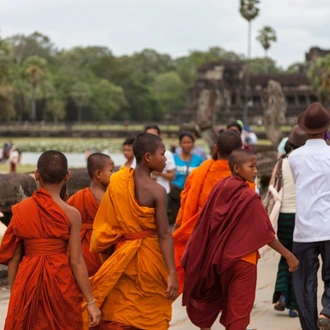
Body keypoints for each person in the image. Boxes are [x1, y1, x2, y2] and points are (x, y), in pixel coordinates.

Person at [181, 148, 299, 330]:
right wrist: (288, 255)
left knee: (219, 300)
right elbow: (265, 233)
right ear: (237, 168)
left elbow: (204, 224)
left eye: (256, 166)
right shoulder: (249, 196)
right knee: (238, 313)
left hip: (218, 259)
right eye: (251, 166)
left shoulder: (219, 188)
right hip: (243, 261)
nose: (256, 171)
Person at [0, 150, 101, 329]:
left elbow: (14, 259)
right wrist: (90, 301)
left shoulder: (21, 209)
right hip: (60, 282)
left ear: (36, 174)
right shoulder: (72, 214)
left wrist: (17, 294)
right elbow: (77, 261)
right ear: (67, 176)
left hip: (27, 281)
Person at [88, 133, 178, 329]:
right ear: (147, 157)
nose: (165, 159)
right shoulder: (157, 191)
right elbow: (164, 233)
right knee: (150, 314)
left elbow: (107, 226)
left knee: (121, 312)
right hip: (151, 259)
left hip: (123, 257)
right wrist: (172, 272)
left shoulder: (117, 181)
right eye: (162, 154)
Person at [173, 130, 254, 294]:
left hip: (202, 240)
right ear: (240, 150)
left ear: (216, 148)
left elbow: (186, 205)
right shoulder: (245, 178)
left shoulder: (198, 173)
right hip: (234, 243)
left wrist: (179, 228)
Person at [288, 102, 330, 330]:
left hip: (304, 228)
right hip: (329, 225)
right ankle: (328, 311)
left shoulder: (295, 157)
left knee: (304, 281)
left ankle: (309, 327)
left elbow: (299, 184)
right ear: (327, 128)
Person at [270, 125, 308, 318]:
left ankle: (282, 293)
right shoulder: (307, 161)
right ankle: (294, 304)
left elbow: (271, 186)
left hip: (284, 215)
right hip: (302, 216)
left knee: (286, 255)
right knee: (298, 259)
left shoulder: (282, 161)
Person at [67, 153, 115, 277]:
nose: (114, 174)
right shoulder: (107, 199)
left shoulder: (77, 196)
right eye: (111, 171)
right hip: (99, 251)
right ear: (98, 174)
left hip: (77, 251)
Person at [170, 132, 204, 223]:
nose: (186, 145)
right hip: (176, 195)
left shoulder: (199, 159)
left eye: (189, 142)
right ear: (180, 144)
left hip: (192, 194)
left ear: (193, 144)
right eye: (184, 142)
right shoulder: (173, 158)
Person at [144, 124, 175, 209]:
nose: (151, 138)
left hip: (163, 191)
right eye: (148, 135)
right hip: (144, 191)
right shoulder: (140, 154)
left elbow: (172, 175)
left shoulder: (167, 154)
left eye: (154, 135)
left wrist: (159, 173)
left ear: (159, 136)